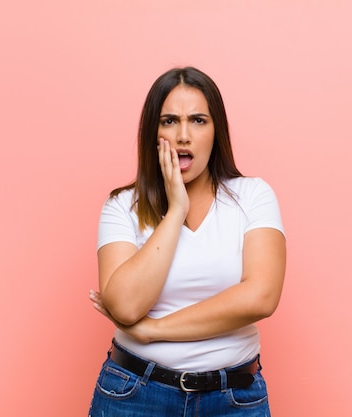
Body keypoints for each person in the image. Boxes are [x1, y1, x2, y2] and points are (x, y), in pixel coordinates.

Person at [88, 66, 286, 417]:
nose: (183, 135)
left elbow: (261, 296)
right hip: (135, 396)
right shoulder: (122, 205)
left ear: (216, 131)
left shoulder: (253, 196)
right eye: (168, 121)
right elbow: (125, 306)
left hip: (233, 399)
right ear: (153, 132)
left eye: (197, 120)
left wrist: (155, 330)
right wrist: (176, 209)